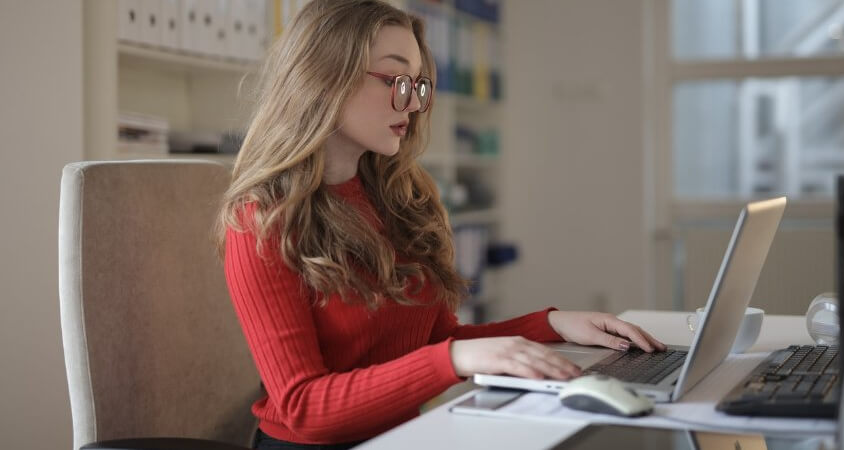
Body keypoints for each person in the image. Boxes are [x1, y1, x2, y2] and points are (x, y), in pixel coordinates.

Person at [216, 1, 666, 448]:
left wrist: (553, 324)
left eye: (418, 85)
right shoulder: (262, 220)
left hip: (408, 435)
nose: (412, 103)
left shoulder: (398, 198)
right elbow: (304, 408)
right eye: (396, 81)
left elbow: (437, 342)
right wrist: (453, 357)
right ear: (325, 77)